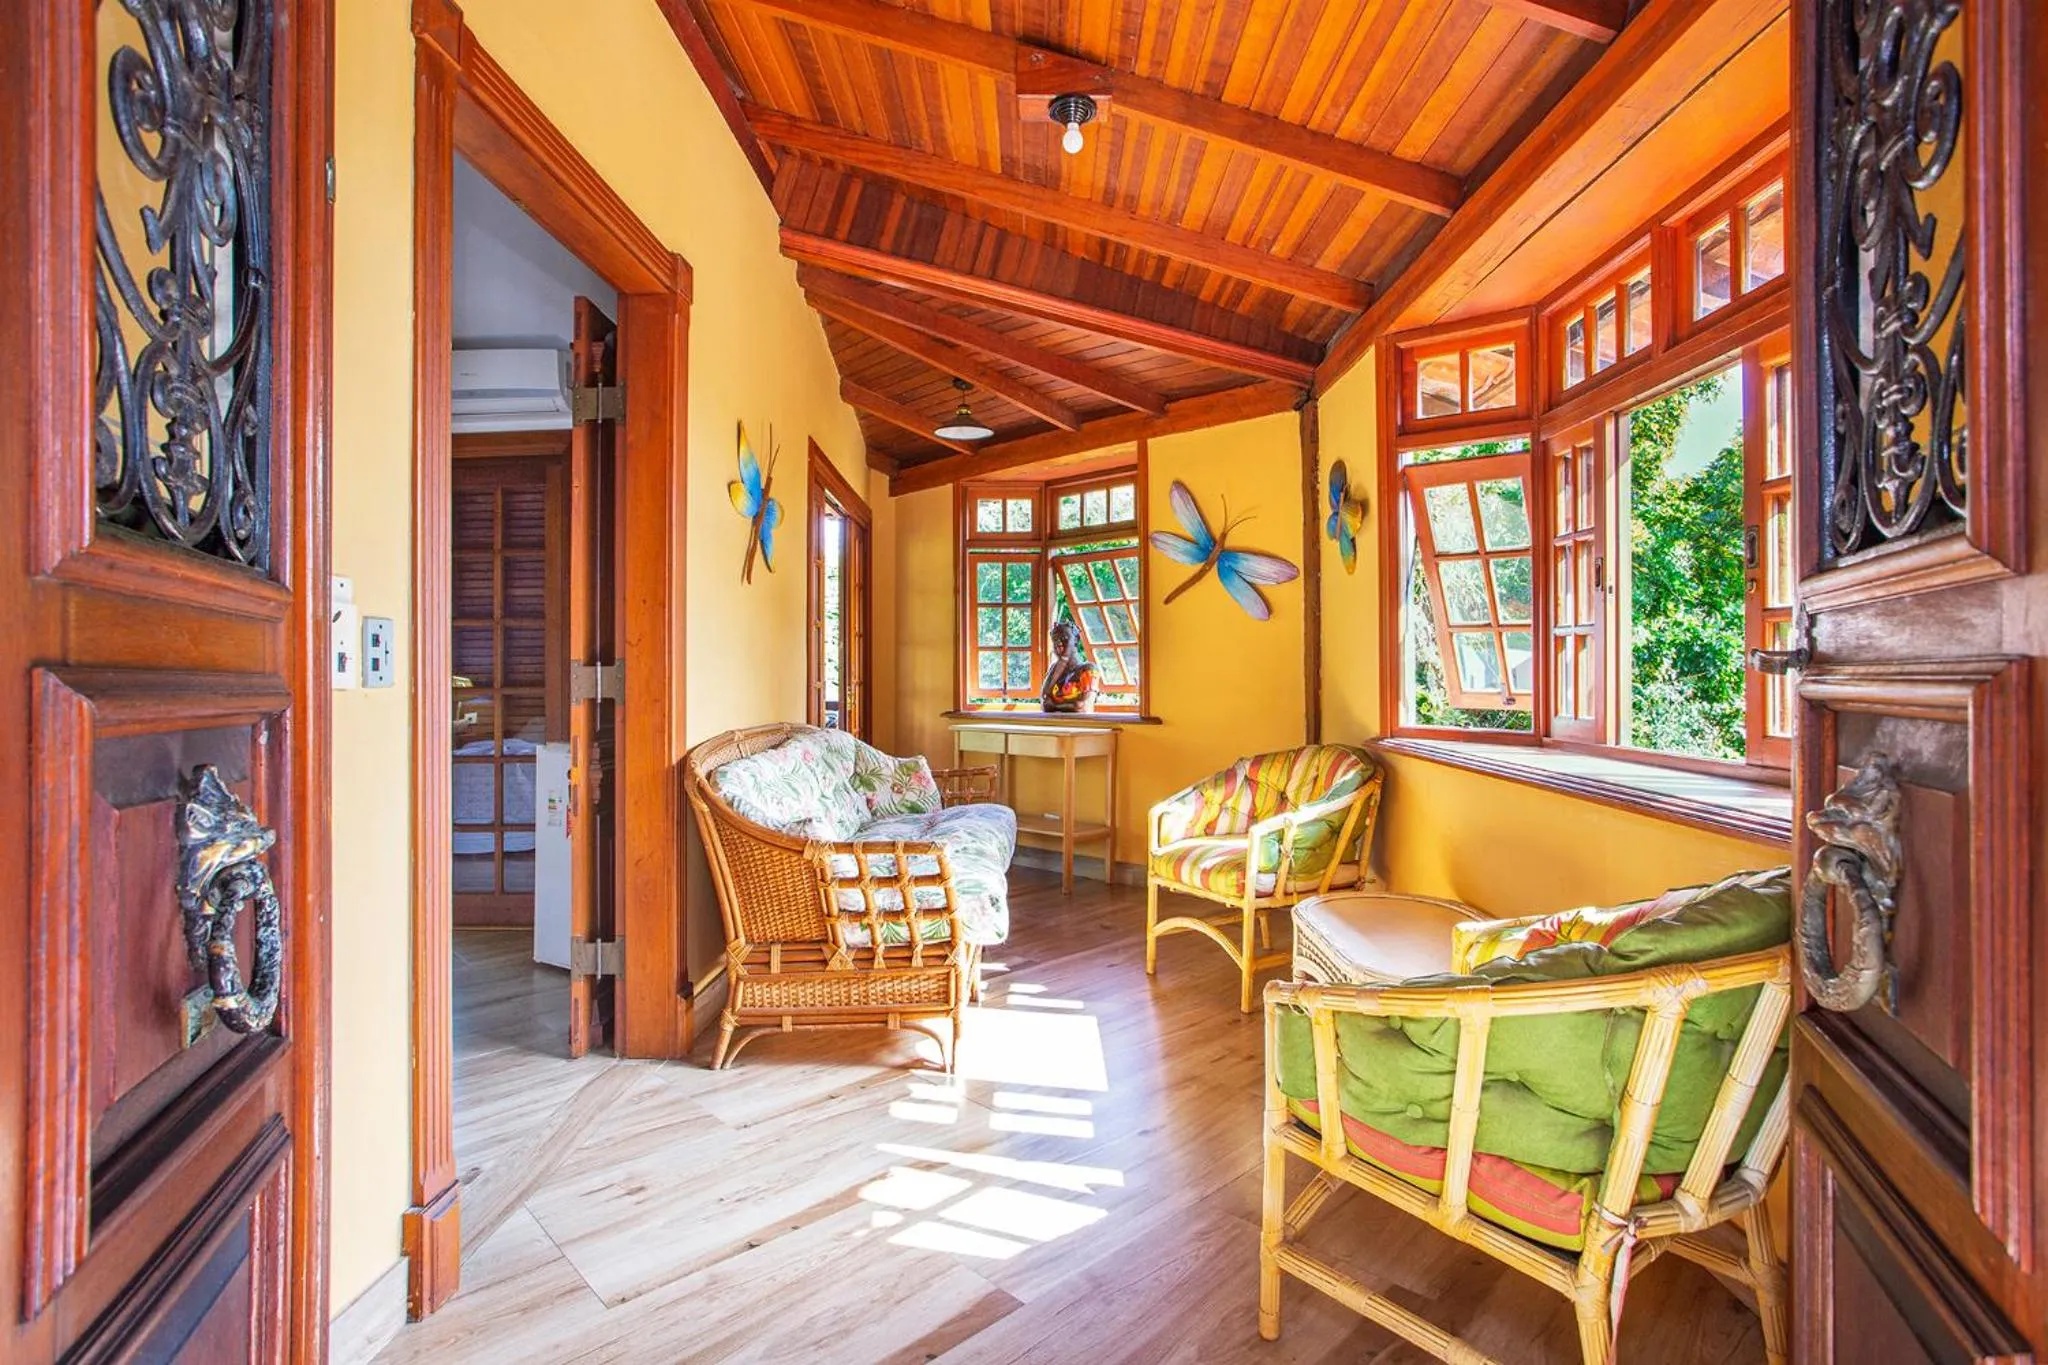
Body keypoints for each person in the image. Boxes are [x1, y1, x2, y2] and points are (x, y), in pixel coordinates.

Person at [1039, 619, 1100, 713]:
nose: (1058, 643)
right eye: (1055, 640)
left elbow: (1082, 706)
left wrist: (1054, 706)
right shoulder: (1053, 669)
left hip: (1080, 722)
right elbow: (1044, 702)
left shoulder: (1089, 669)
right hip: (1053, 722)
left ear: (1076, 640)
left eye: (1064, 638)